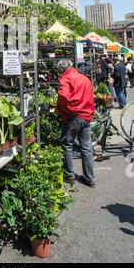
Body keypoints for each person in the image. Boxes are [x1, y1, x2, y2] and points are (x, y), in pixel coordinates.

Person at [57, 60, 96, 188]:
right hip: (86, 115)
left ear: (62, 69)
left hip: (73, 115)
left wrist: (63, 109)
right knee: (86, 147)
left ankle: (69, 175)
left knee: (67, 144)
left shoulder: (66, 78)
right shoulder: (84, 78)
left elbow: (63, 95)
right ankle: (90, 178)